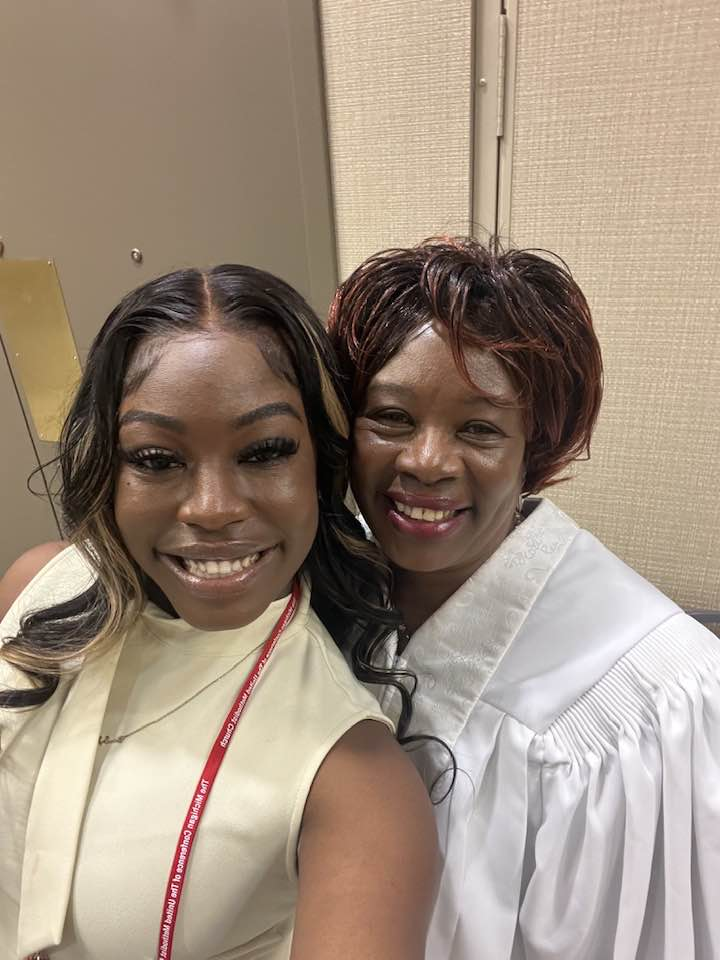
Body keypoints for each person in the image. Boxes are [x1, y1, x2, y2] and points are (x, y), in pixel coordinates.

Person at [0, 265, 438, 960]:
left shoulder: (357, 785)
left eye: (264, 452)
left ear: (321, 468)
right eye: (156, 458)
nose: (212, 508)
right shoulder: (38, 587)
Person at [328, 236, 720, 960]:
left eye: (479, 428)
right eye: (390, 417)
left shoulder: (653, 702)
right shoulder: (330, 595)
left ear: (533, 447)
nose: (425, 462)